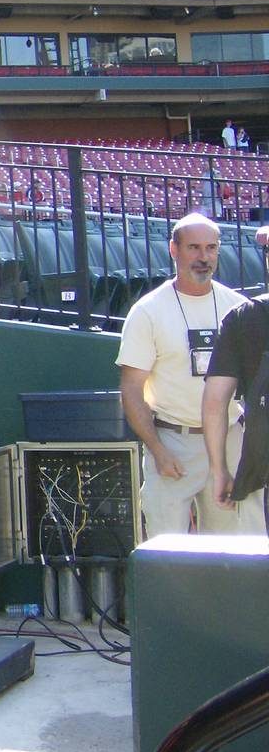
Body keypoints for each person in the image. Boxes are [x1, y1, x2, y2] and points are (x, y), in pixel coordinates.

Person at [116, 213, 254, 537]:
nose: (203, 257)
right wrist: (157, 449)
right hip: (173, 441)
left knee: (231, 553)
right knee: (167, 554)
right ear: (174, 250)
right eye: (193, 247)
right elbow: (132, 389)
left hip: (229, 440)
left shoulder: (239, 308)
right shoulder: (148, 311)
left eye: (211, 248)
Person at [201, 224, 269, 530]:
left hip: (260, 473)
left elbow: (215, 401)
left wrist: (220, 471)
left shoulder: (243, 317)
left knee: (257, 576)